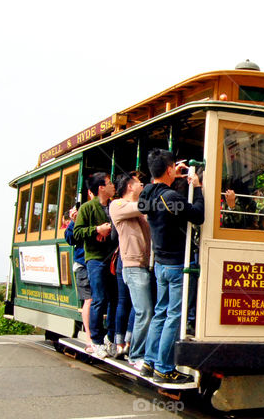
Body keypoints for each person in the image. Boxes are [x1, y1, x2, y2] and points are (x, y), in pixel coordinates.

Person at [138, 149, 204, 384]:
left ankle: (149, 362)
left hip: (160, 264)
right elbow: (198, 215)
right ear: (168, 169)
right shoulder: (172, 198)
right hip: (176, 264)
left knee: (160, 313)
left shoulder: (147, 194)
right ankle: (164, 369)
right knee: (174, 316)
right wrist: (197, 187)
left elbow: (152, 192)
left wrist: (170, 174)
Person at [110, 171, 153, 366]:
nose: (141, 185)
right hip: (133, 266)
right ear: (129, 186)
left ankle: (137, 350)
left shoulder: (137, 209)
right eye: (139, 183)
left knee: (144, 311)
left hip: (143, 265)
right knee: (144, 311)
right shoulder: (118, 205)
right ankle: (136, 355)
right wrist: (157, 184)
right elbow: (145, 205)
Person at [73, 172, 118, 357]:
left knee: (114, 299)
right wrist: (97, 230)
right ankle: (96, 341)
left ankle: (111, 337)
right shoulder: (87, 207)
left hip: (113, 258)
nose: (113, 186)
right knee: (98, 299)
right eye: (109, 183)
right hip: (96, 259)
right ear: (101, 188)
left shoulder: (115, 205)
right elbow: (77, 233)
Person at [63, 206, 91, 342]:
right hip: (83, 263)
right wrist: (74, 221)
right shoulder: (79, 218)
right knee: (89, 300)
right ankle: (90, 338)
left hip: (99, 263)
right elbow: (70, 239)